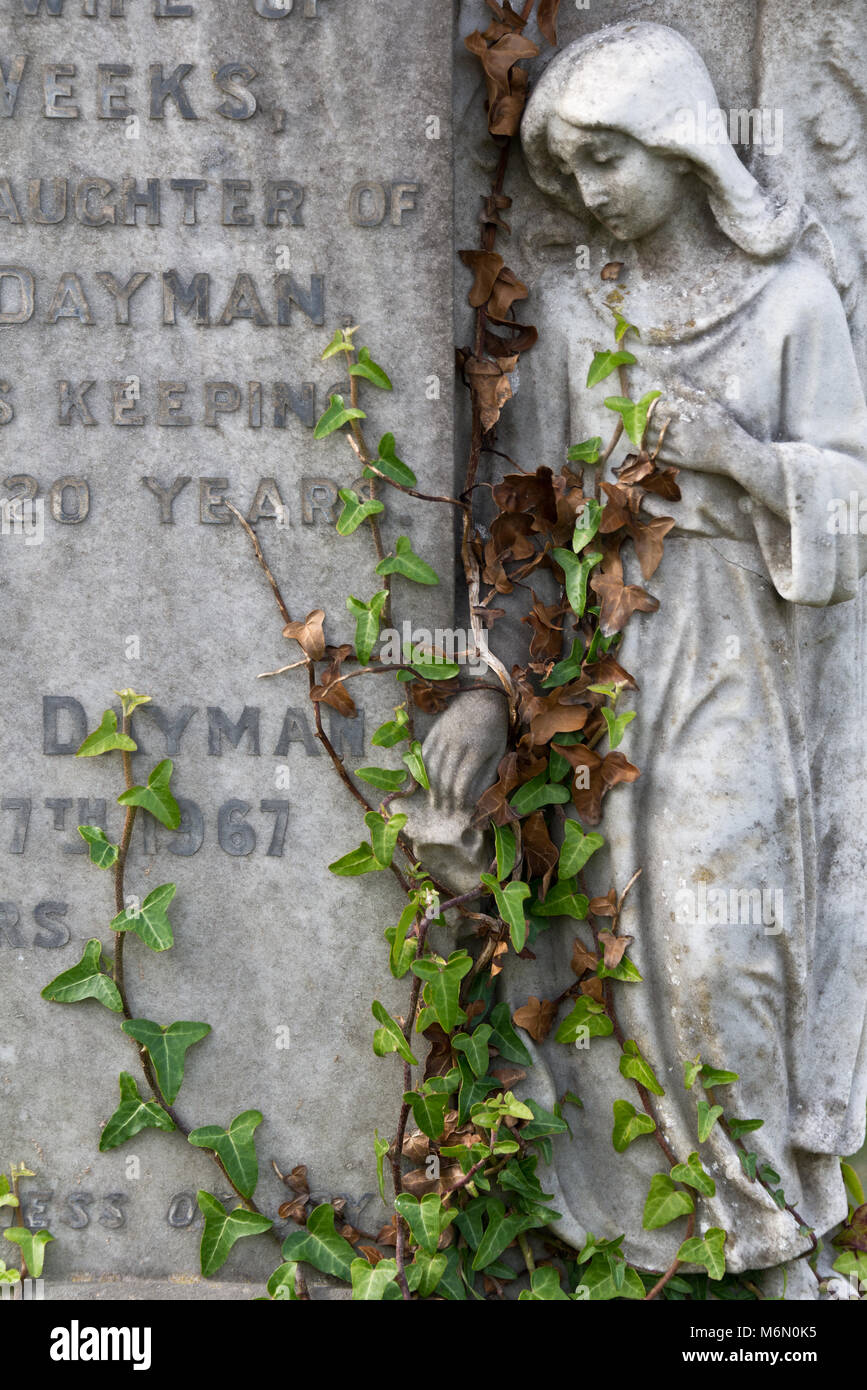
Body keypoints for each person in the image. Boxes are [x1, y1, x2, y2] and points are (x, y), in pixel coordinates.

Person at [412, 22, 867, 1287]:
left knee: (723, 944)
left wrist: (736, 457)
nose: (591, 191)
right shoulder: (570, 314)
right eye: (570, 170)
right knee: (613, 946)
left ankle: (773, 1231)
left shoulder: (787, 304)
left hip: (742, 662)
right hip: (606, 672)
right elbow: (520, 519)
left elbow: (856, 500)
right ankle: (671, 1245)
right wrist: (491, 690)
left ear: (681, 146)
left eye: (609, 158)